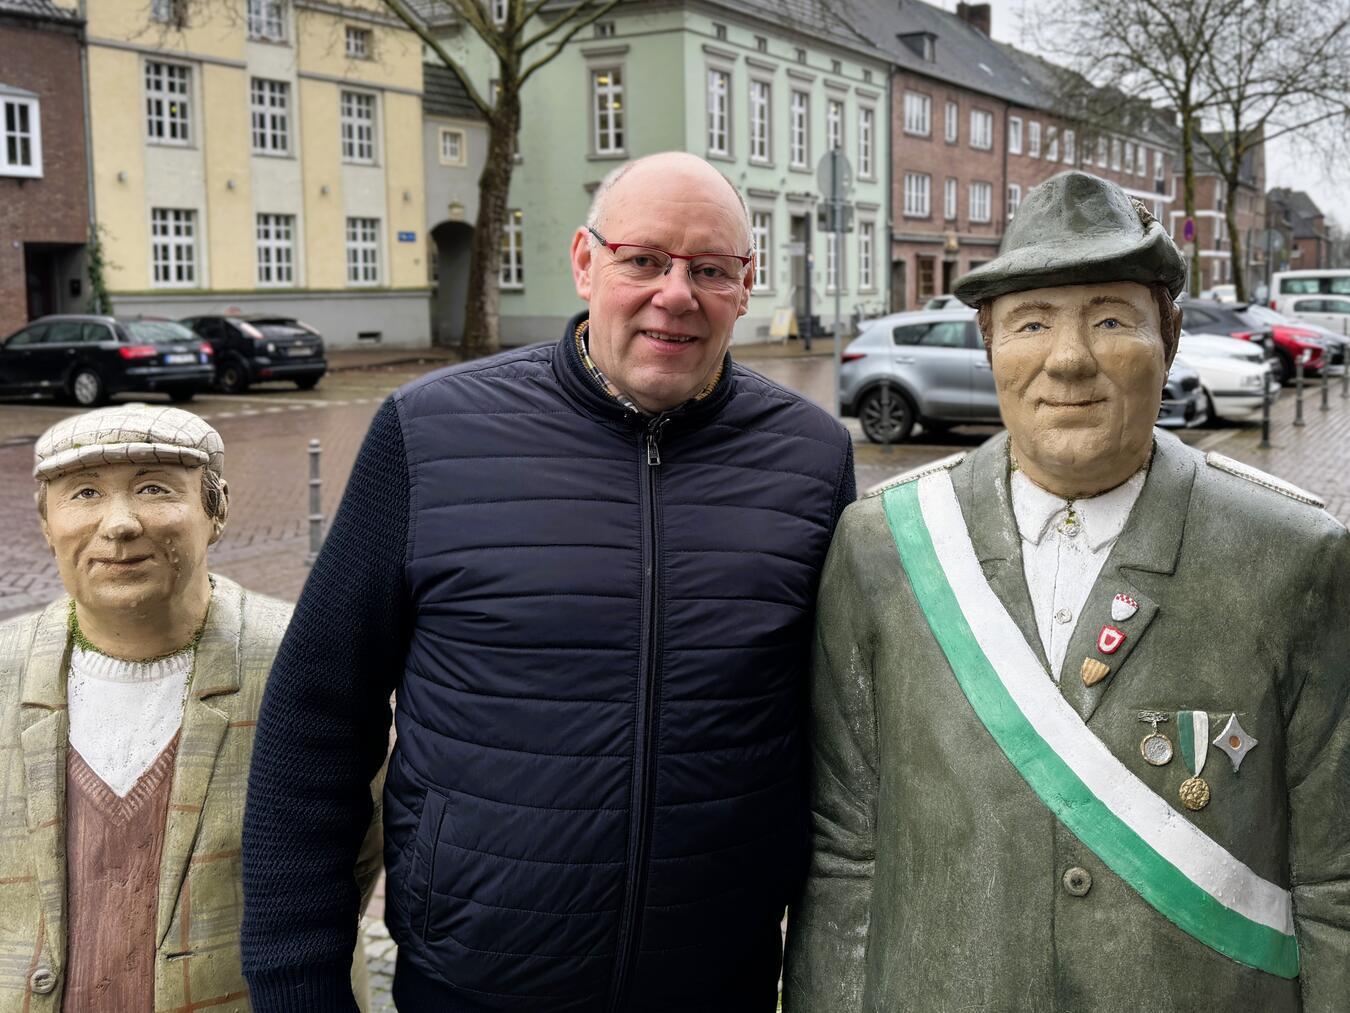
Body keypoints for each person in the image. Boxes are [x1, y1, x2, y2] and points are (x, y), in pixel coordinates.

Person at [242, 151, 856, 1011]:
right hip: (473, 983)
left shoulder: (811, 459)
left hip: (716, 983)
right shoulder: (430, 434)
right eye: (643, 259)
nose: (676, 294)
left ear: (746, 284)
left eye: (711, 269)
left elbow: (839, 736)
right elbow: (318, 712)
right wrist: (297, 981)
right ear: (584, 261)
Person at [784, 171, 1348, 1011]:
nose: (1070, 357)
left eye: (1112, 319)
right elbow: (845, 854)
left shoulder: (1297, 556)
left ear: (1170, 338)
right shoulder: (882, 547)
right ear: (989, 345)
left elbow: (1335, 882)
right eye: (1031, 322)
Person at [0, 405, 380, 1011]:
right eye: (84, 493)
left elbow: (357, 850)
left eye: (154, 488)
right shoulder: (6, 667)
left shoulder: (303, 661)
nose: (119, 524)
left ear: (216, 509)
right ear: (46, 522)